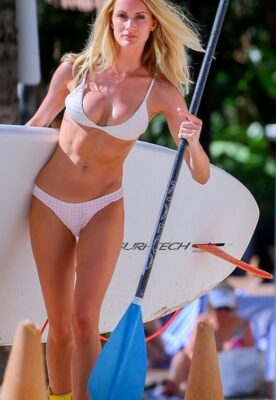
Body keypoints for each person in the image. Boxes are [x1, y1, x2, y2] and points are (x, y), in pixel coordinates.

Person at [25, 1, 209, 398]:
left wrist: (192, 141)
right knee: (58, 327)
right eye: (122, 16)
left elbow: (200, 172)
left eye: (140, 17)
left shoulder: (161, 90)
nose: (130, 25)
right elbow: (35, 126)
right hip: (50, 204)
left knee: (85, 317)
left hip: (104, 207)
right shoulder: (75, 69)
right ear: (109, 20)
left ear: (153, 25)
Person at [162, 284, 256, 396]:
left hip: (230, 373)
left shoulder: (242, 324)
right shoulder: (202, 322)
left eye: (227, 309)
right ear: (211, 307)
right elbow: (189, 351)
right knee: (181, 357)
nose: (223, 313)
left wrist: (230, 351)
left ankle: (180, 390)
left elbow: (250, 355)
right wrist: (209, 356)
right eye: (219, 308)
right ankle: (173, 386)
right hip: (205, 367)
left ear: (234, 308)